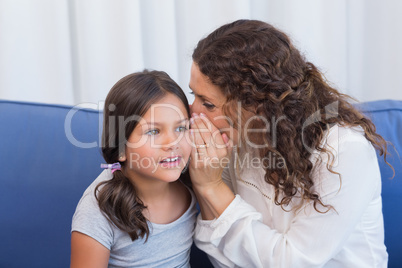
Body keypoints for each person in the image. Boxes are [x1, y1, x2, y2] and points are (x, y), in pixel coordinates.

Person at [188, 19, 390, 267]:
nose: (192, 113)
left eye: (207, 103)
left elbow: (292, 261)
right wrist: (204, 182)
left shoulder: (343, 151)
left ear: (258, 105)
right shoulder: (232, 141)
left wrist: (211, 187)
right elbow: (214, 246)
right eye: (192, 95)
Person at [71, 70, 197, 267]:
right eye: (154, 131)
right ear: (121, 148)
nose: (173, 143)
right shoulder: (98, 210)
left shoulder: (194, 179)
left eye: (181, 128)